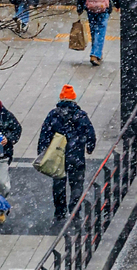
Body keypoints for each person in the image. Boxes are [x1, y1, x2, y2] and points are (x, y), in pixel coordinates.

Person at [37, 84, 96, 219]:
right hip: (76, 155)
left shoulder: (53, 115)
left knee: (58, 184)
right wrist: (90, 146)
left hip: (58, 156)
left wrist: (42, 152)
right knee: (77, 184)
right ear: (74, 99)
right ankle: (75, 209)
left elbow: (44, 134)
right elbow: (90, 133)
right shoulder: (81, 115)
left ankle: (60, 211)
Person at [75, 0, 121, 67]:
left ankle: (96, 53)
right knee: (100, 31)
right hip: (103, 9)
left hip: (90, 9)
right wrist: (118, 4)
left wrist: (79, 7)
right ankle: (95, 54)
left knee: (94, 30)